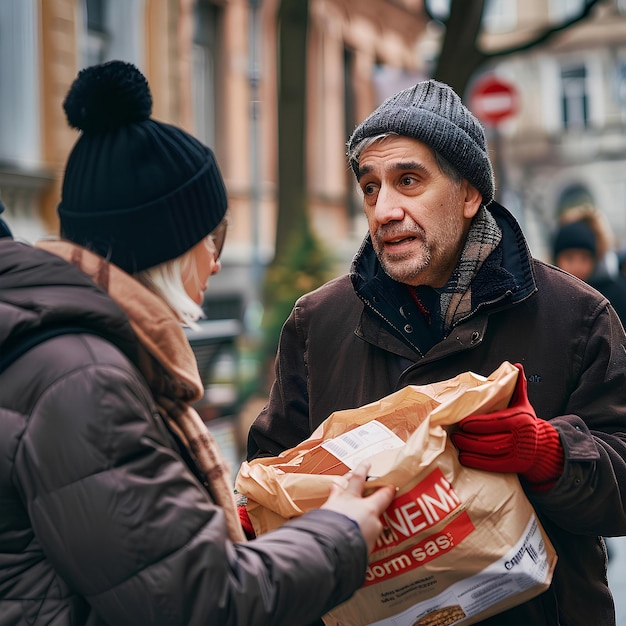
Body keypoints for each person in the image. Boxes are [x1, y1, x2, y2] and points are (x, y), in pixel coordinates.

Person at [0, 60, 395, 626]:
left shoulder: (60, 350)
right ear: (166, 244)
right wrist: (340, 534)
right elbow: (197, 601)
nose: (215, 260)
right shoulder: (84, 380)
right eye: (212, 238)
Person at [247, 79, 626, 625]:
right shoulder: (319, 322)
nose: (384, 210)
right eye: (371, 188)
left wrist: (548, 454)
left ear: (470, 193)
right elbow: (269, 472)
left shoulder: (576, 316)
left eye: (409, 181)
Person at [552, 208, 626, 325]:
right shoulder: (548, 294)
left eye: (584, 258)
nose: (577, 266)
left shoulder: (616, 294)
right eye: (569, 257)